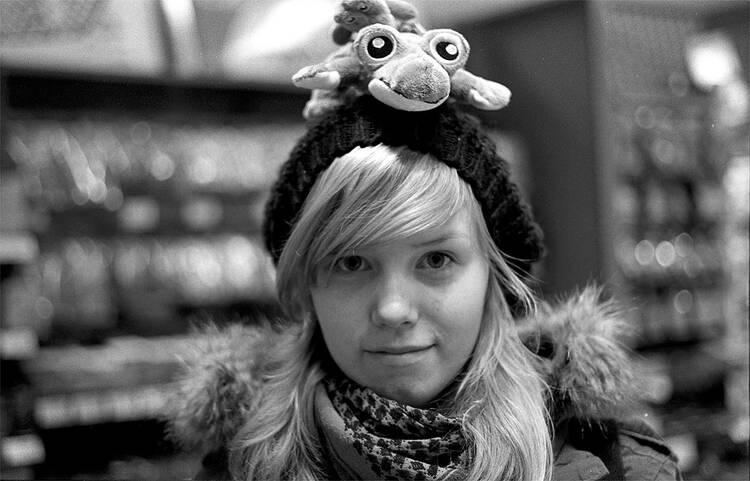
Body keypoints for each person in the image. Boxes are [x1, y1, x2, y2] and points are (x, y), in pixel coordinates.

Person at [166, 94, 682, 480]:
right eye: (351, 262)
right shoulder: (236, 467)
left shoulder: (623, 465)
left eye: (436, 259)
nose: (393, 309)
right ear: (308, 287)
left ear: (493, 276)